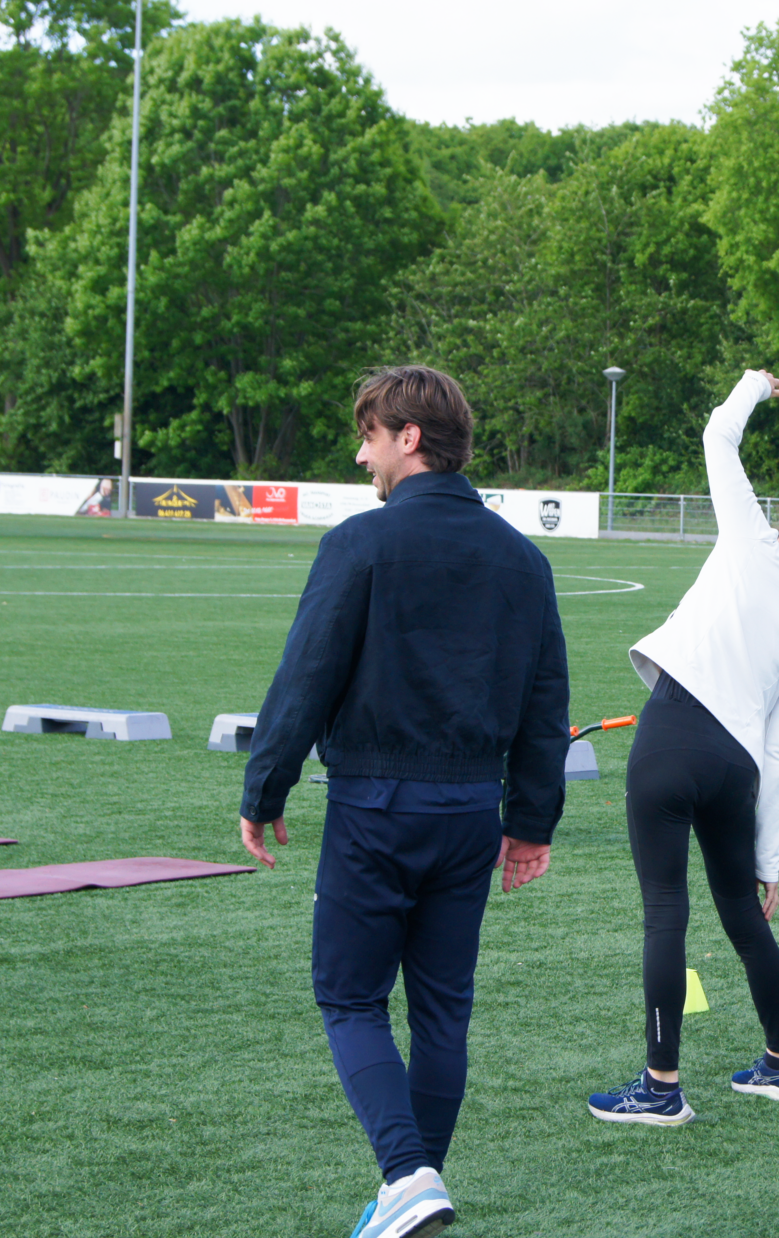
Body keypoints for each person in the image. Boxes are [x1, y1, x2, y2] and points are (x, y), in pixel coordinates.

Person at [238, 365, 569, 1238]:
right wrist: (530, 823)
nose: (362, 454)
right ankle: (415, 1189)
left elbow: (306, 676)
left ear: (408, 437)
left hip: (376, 806)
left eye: (370, 436)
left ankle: (405, 1174)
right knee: (441, 1012)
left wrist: (264, 785)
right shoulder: (524, 560)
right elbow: (547, 705)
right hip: (470, 816)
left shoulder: (361, 542)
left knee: (349, 998)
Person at [587, 368, 779, 1126]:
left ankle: (661, 1085)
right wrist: (768, 861)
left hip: (674, 734)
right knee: (743, 915)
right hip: (735, 769)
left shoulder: (750, 545)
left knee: (664, 912)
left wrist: (752, 385)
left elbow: (718, 435)